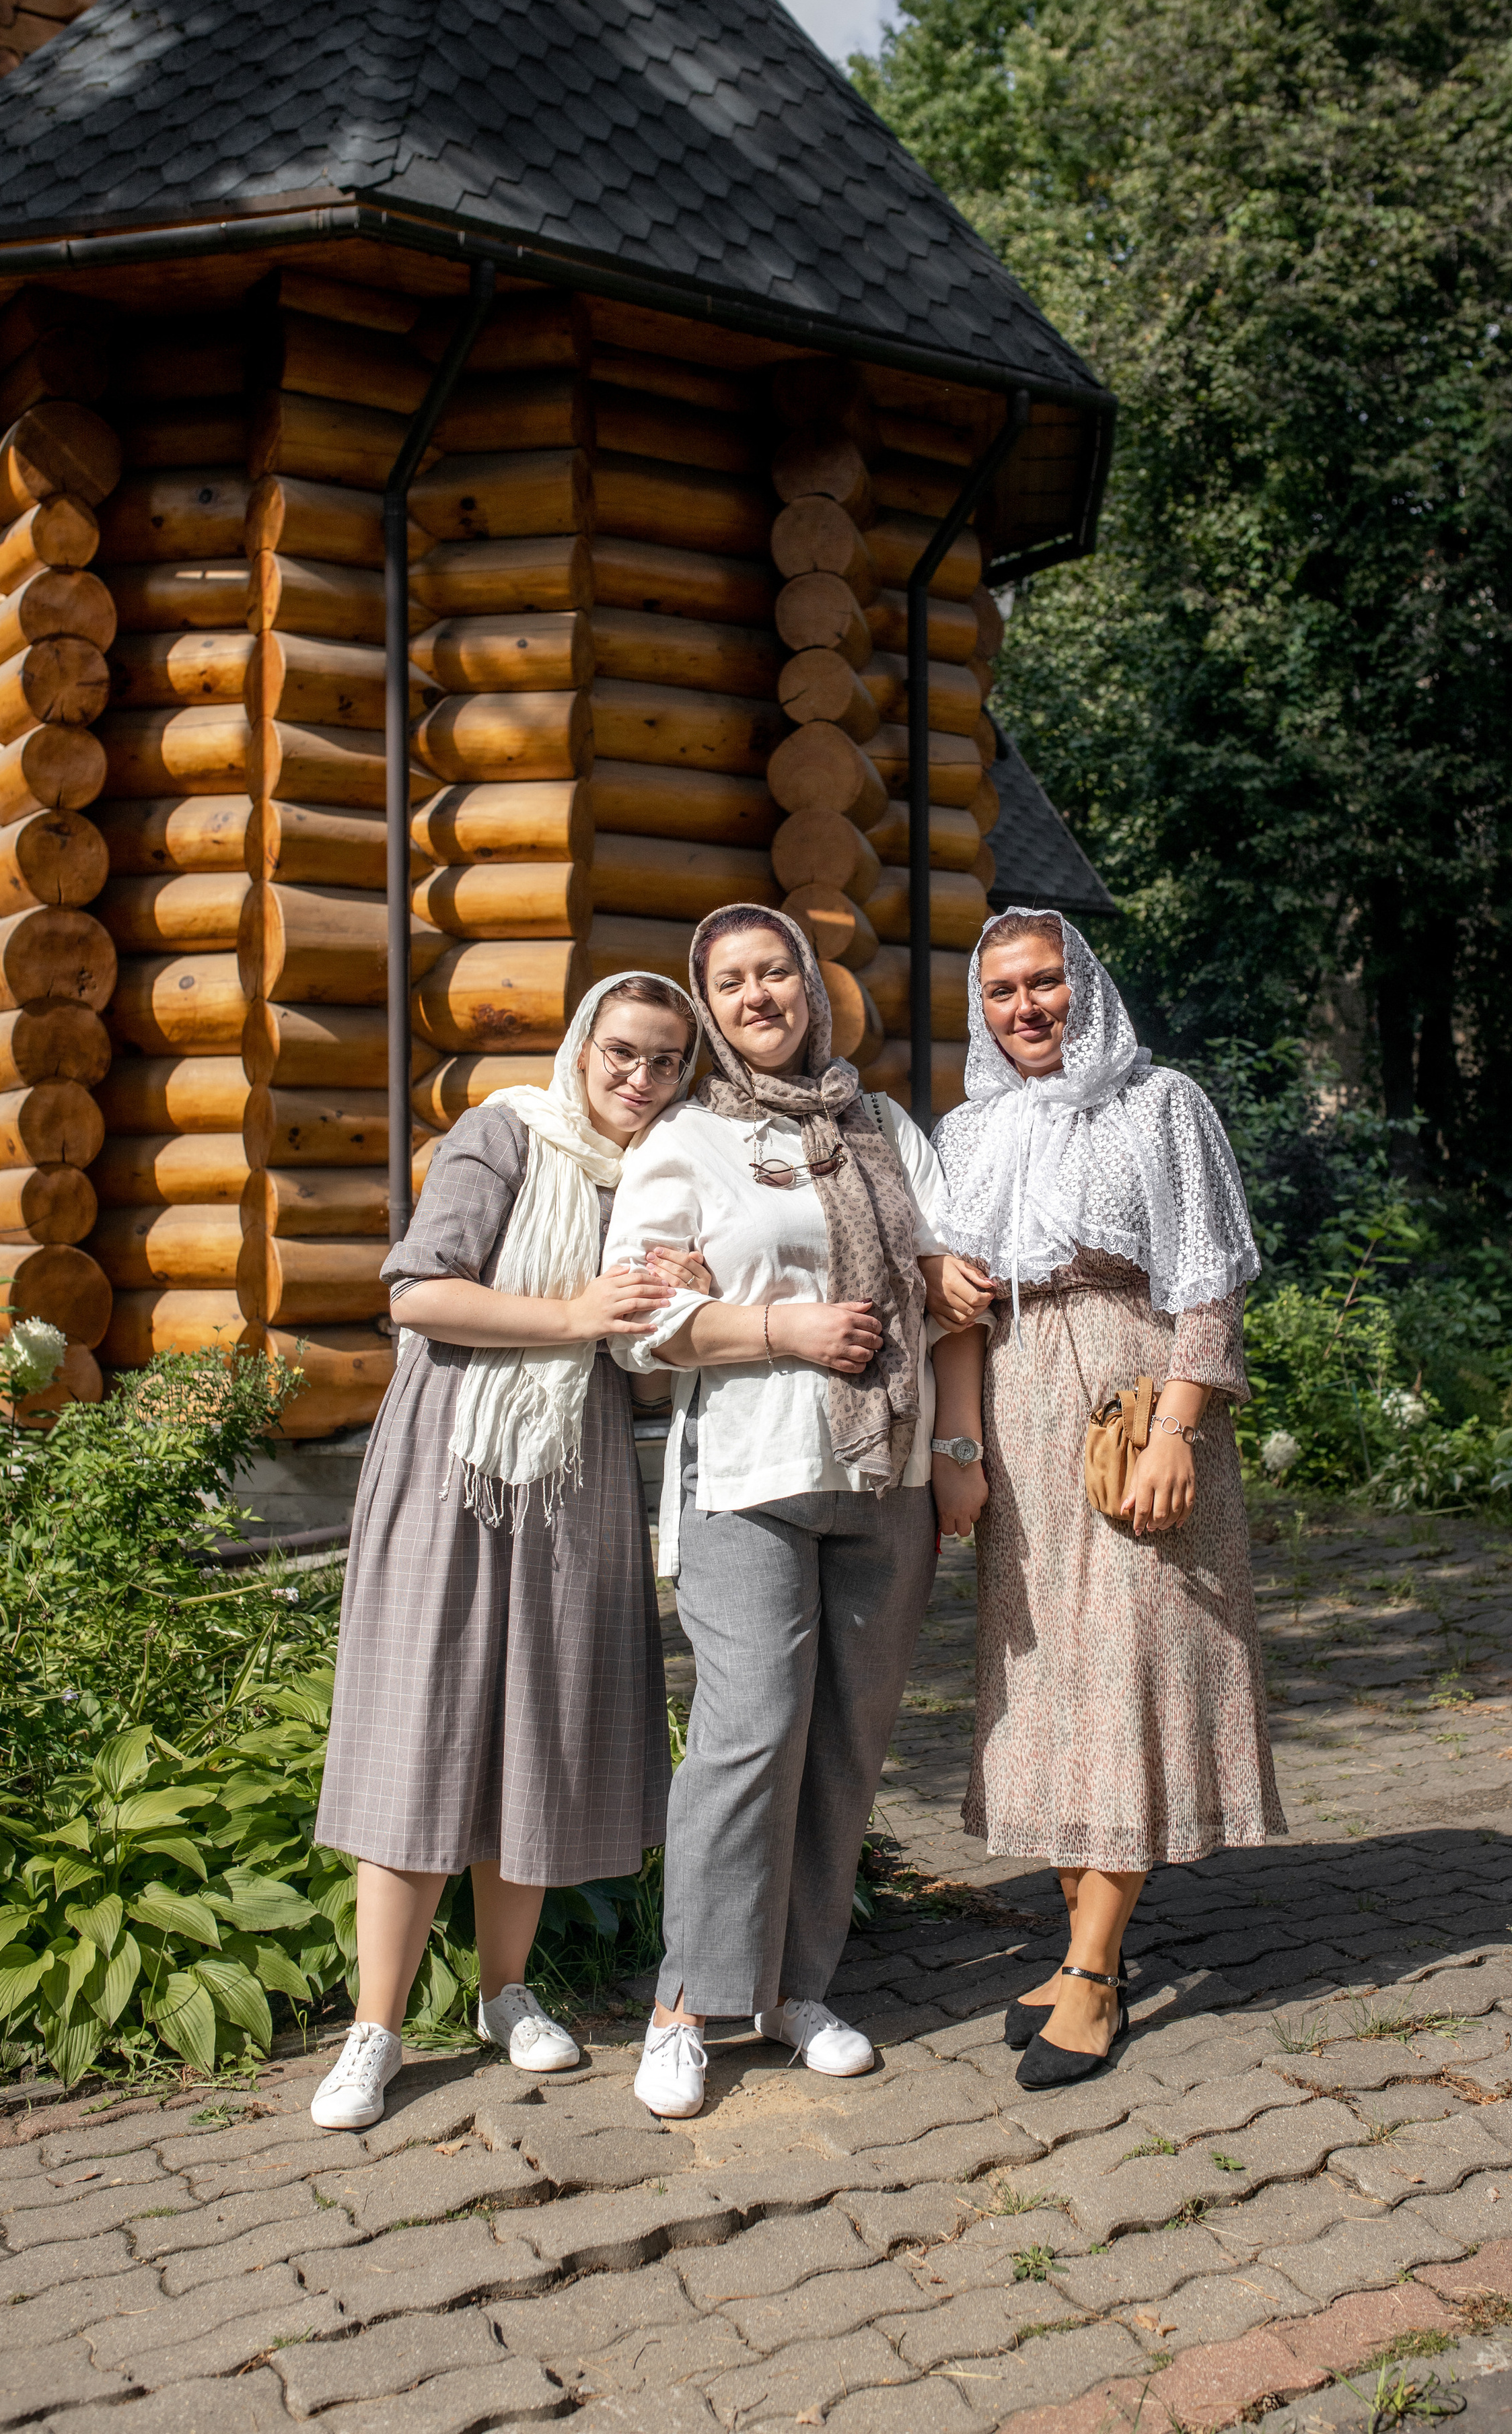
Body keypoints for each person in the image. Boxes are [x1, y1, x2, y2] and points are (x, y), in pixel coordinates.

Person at [600, 905, 990, 2120]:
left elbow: (950, 1290)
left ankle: (793, 1991)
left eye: (775, 972)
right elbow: (642, 1325)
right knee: (751, 1732)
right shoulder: (687, 1139)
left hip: (889, 1476)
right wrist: (784, 1328)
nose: (756, 996)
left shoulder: (883, 1127)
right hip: (750, 1476)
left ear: (813, 987)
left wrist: (958, 1447)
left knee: (847, 1739)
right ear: (709, 1008)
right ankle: (685, 2006)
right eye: (729, 982)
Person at [308, 973, 709, 2131]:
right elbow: (419, 1296)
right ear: (582, 1049)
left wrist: (680, 1309)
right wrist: (576, 1315)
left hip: (577, 1469)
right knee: (419, 1720)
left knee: (539, 1720)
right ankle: (374, 2030)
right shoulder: (507, 1134)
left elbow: (641, 1376)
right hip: (453, 1454)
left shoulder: (660, 1180)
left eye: (667, 1061)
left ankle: (505, 1993)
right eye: (622, 1053)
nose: (641, 1079)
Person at [931, 908, 1285, 2091]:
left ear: (1085, 986)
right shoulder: (968, 1131)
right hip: (1018, 1411)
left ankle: (1091, 1971)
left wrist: (1179, 1429)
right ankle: (1089, 1940)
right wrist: (960, 1444)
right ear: (980, 1010)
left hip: (1133, 1403)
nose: (1025, 1008)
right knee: (1051, 1677)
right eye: (1001, 992)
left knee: (1132, 1660)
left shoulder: (1161, 1104)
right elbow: (955, 1306)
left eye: (1046, 983)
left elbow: (1210, 1284)